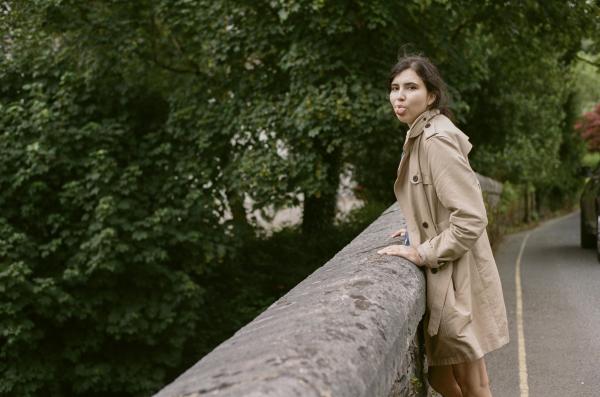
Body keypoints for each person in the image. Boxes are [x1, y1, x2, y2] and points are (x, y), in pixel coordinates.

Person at [377, 55, 509, 397]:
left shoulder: (435, 141)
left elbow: (471, 217)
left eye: (410, 87)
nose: (399, 97)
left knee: (472, 384)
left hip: (456, 277)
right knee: (446, 379)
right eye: (394, 88)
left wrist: (422, 251)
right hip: (452, 274)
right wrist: (414, 230)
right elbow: (434, 203)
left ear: (431, 95)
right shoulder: (421, 135)